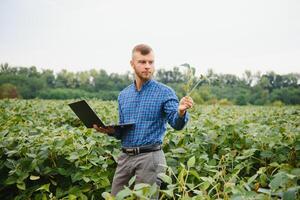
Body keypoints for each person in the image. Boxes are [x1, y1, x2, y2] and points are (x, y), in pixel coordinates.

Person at [93, 44, 193, 196]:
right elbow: (124, 132)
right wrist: (111, 131)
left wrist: (180, 112)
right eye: (142, 62)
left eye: (151, 62)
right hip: (125, 157)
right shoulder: (124, 95)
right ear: (132, 64)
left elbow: (176, 123)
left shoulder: (165, 92)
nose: (147, 66)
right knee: (115, 197)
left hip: (150, 158)